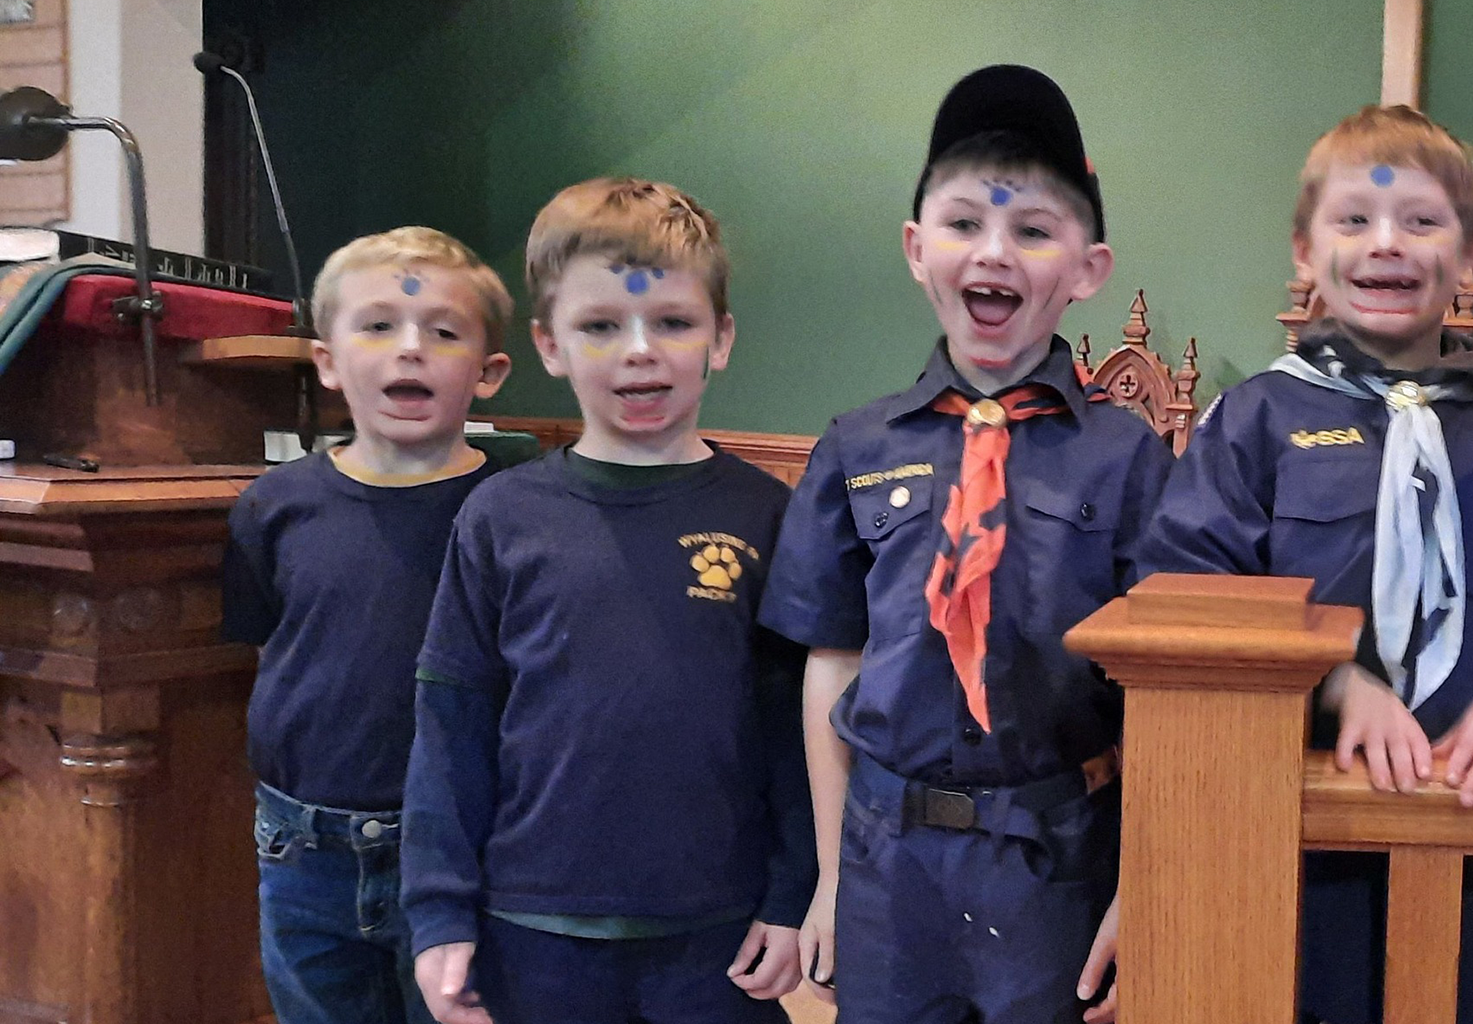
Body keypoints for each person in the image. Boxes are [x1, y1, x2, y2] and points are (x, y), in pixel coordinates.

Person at [1138, 104, 1473, 1024]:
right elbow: (1194, 605)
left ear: (1468, 256)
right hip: (1288, 844)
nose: (1387, 243)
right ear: (1305, 253)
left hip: (1462, 840)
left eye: (1422, 222)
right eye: (1354, 220)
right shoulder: (1254, 424)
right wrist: (1337, 683)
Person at [759, 64, 1170, 1024]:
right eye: (963, 224)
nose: (995, 252)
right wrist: (827, 877)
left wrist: (1138, 889)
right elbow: (831, 658)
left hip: (1057, 857)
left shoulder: (1130, 462)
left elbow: (1161, 693)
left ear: (1088, 268)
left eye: (1033, 230)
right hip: (885, 860)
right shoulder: (856, 447)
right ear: (915, 248)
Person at [403, 177, 812, 1023]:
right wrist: (440, 910)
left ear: (720, 338)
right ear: (551, 345)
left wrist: (792, 892)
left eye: (672, 321)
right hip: (534, 925)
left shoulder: (767, 515)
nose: (639, 351)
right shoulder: (500, 517)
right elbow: (451, 727)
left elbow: (791, 732)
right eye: (600, 327)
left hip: (718, 929)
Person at [224, 225, 514, 1024]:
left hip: (466, 856)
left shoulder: (522, 510)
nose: (409, 349)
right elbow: (268, 650)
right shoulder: (272, 508)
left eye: (443, 331)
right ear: (326, 360)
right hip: (302, 850)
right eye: (378, 325)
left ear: (489, 372)